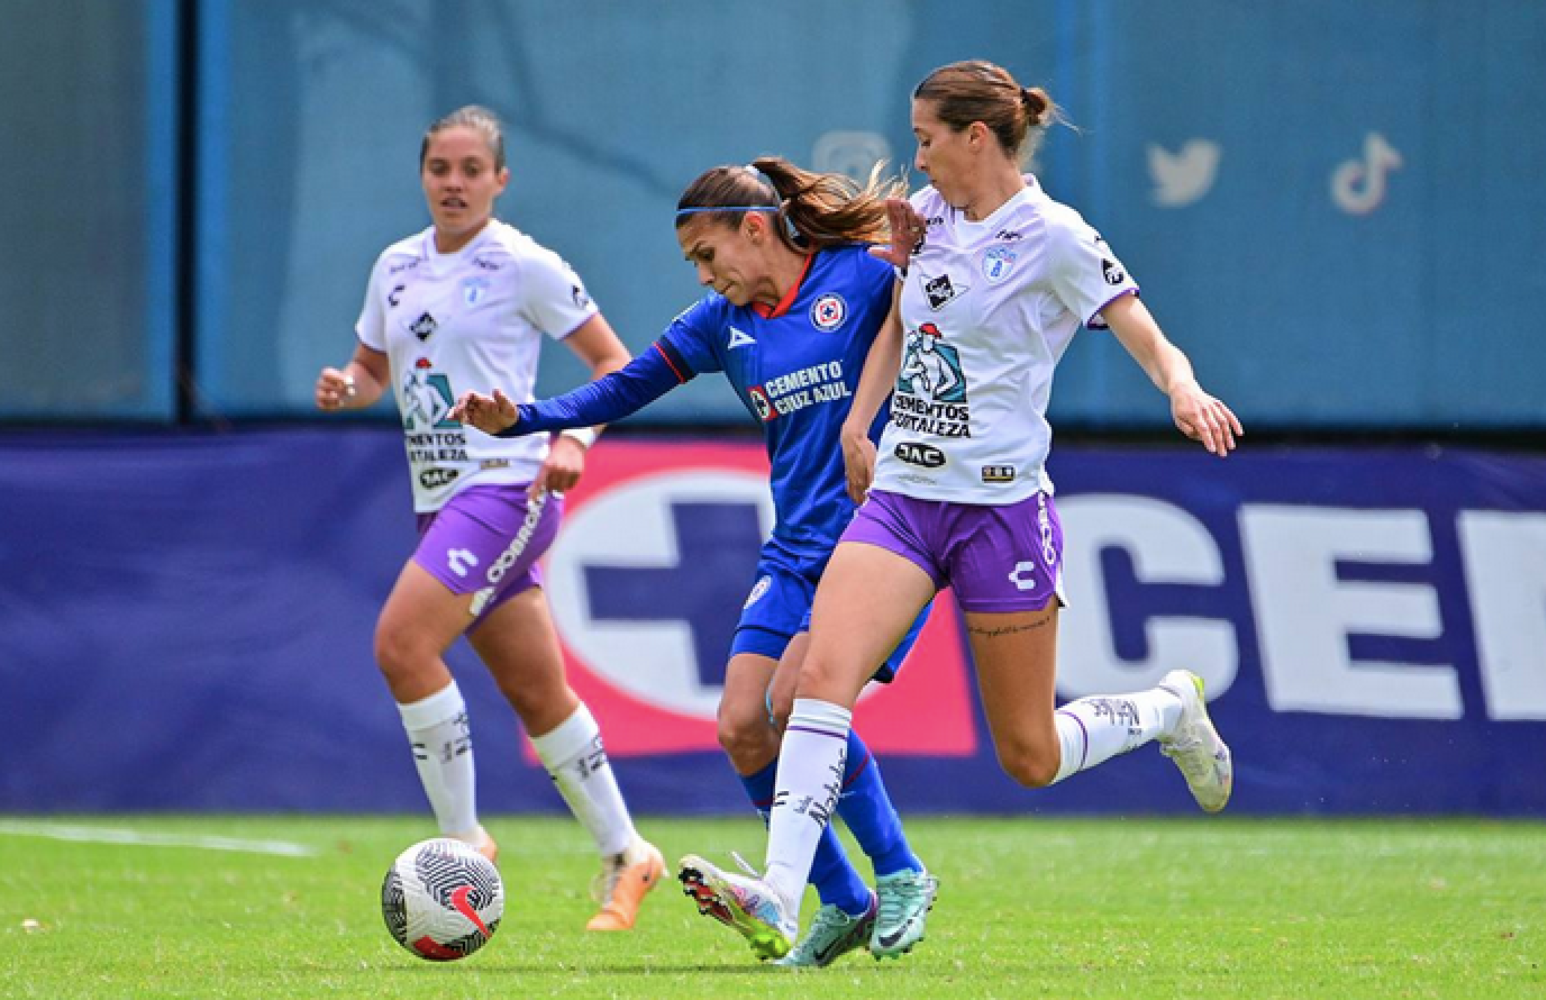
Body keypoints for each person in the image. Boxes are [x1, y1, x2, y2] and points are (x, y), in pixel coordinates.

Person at [677, 59, 1245, 958]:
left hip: (999, 512)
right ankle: (781, 894)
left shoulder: (1054, 235)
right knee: (819, 683)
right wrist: (860, 428)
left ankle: (1167, 710)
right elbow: (900, 323)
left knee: (1029, 757)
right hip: (904, 498)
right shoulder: (928, 220)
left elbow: (1142, 326)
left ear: (976, 137)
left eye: (926, 138)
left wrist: (1183, 389)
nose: (917, 156)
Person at [448, 157, 939, 965]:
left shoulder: (860, 277)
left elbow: (950, 302)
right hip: (794, 552)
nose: (707, 278)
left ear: (755, 227)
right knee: (742, 727)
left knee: (795, 701)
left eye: (708, 256)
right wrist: (525, 420)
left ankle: (901, 872)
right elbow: (624, 386)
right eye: (694, 268)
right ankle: (846, 901)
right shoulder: (720, 325)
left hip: (880, 543)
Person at [314, 105, 664, 932]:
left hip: (506, 486)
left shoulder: (523, 265)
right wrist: (347, 388)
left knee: (401, 647)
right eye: (441, 168)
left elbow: (614, 362)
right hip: (439, 497)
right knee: (538, 693)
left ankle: (462, 844)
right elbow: (371, 368)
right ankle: (628, 854)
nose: (455, 184)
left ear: (500, 181)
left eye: (473, 170)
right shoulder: (395, 267)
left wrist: (573, 436)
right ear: (423, 175)